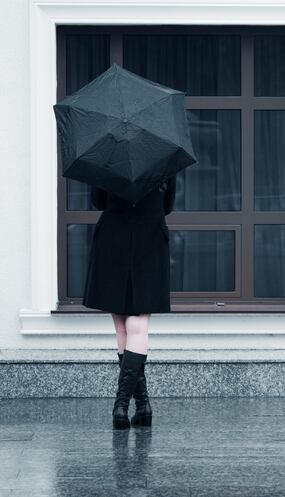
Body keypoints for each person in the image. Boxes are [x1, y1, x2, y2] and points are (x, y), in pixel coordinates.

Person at [82, 176, 176, 429]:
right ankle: (136, 406)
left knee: (123, 326)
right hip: (150, 238)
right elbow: (168, 205)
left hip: (114, 239)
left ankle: (126, 407)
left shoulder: (108, 159)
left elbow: (98, 201)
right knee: (138, 325)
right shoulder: (162, 158)